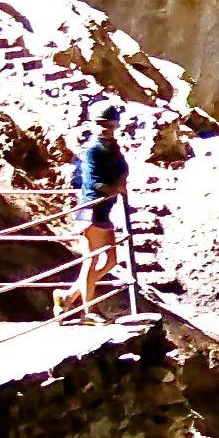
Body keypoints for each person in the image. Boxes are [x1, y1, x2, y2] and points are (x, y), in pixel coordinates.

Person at [57, 102, 129, 320]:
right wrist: (115, 188)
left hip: (104, 210)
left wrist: (120, 181)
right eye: (101, 124)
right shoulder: (92, 149)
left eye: (109, 125)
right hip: (91, 208)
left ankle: (69, 297)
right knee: (91, 260)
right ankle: (89, 311)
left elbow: (123, 169)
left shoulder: (111, 147)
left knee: (110, 260)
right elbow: (92, 180)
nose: (105, 128)